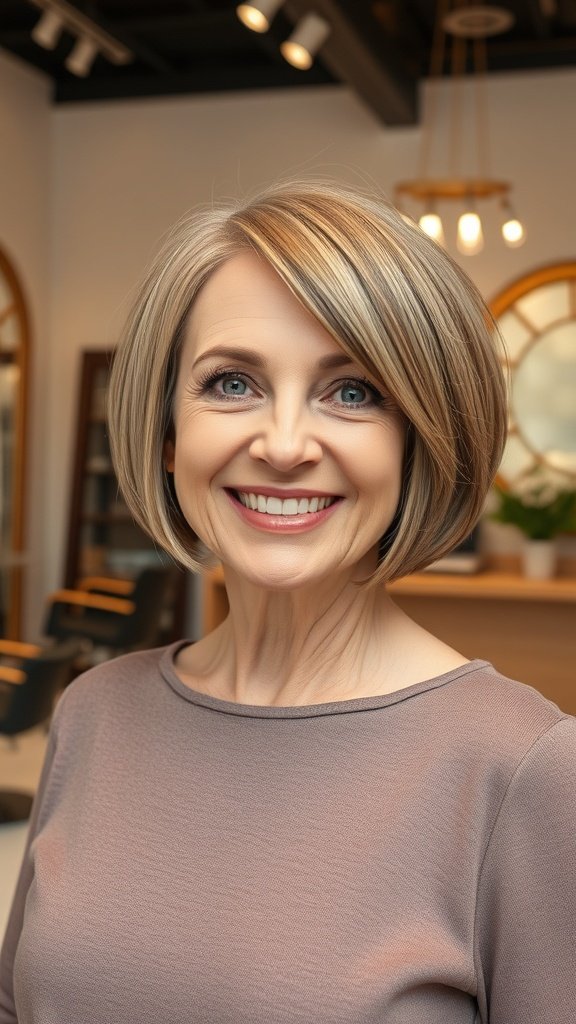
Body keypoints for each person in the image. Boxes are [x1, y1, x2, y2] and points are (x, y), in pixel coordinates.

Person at [1, 180, 575, 1023]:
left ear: (420, 439)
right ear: (168, 436)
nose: (282, 445)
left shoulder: (526, 768)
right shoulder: (94, 713)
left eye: (353, 392)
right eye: (232, 383)